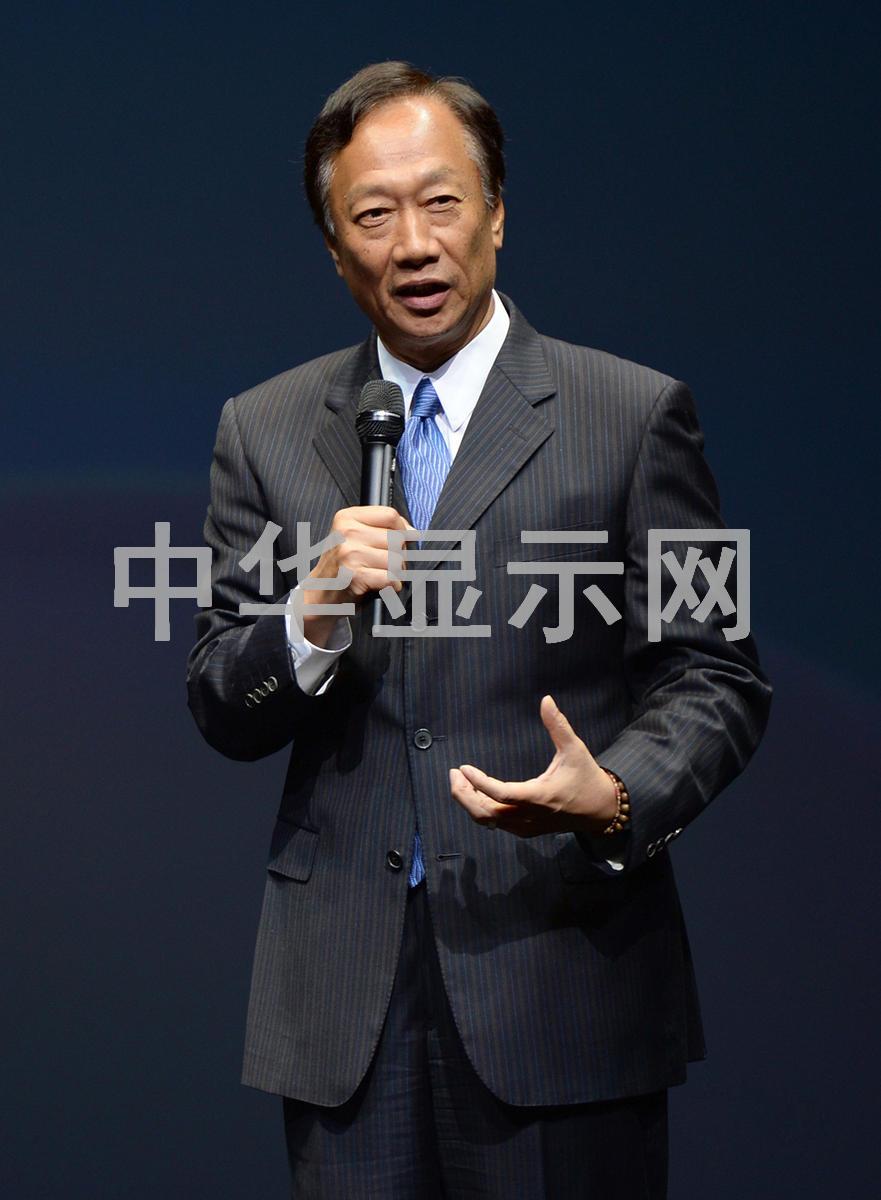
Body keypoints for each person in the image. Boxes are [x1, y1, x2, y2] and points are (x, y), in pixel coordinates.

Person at [187, 61, 772, 1199]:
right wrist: (307, 618)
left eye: (441, 202)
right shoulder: (264, 430)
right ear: (334, 249)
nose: (414, 245)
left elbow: (717, 672)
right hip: (341, 1005)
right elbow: (220, 696)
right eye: (373, 216)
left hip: (559, 974)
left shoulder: (632, 413)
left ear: (496, 213)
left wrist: (615, 793)